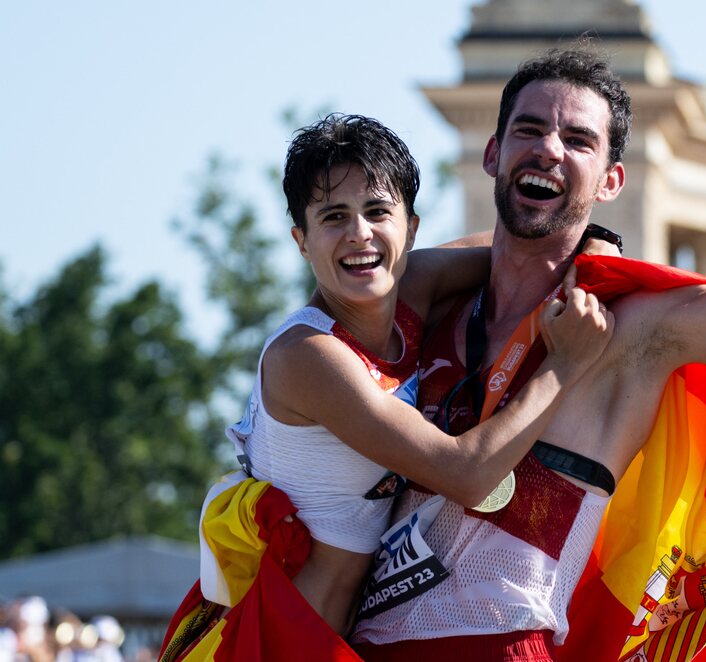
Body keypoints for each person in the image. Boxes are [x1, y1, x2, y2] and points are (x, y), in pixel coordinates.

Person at [352, 6, 706, 661]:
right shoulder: (434, 307)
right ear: (494, 152)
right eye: (530, 129)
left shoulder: (633, 329)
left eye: (579, 141)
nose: (549, 149)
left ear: (612, 181)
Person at [159, 115, 614, 660]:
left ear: (412, 228)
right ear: (301, 242)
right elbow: (465, 474)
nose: (359, 234)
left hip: (354, 636)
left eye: (377, 212)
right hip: (283, 642)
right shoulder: (309, 355)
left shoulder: (411, 290)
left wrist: (593, 250)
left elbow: (513, 258)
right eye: (333, 217)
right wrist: (565, 366)